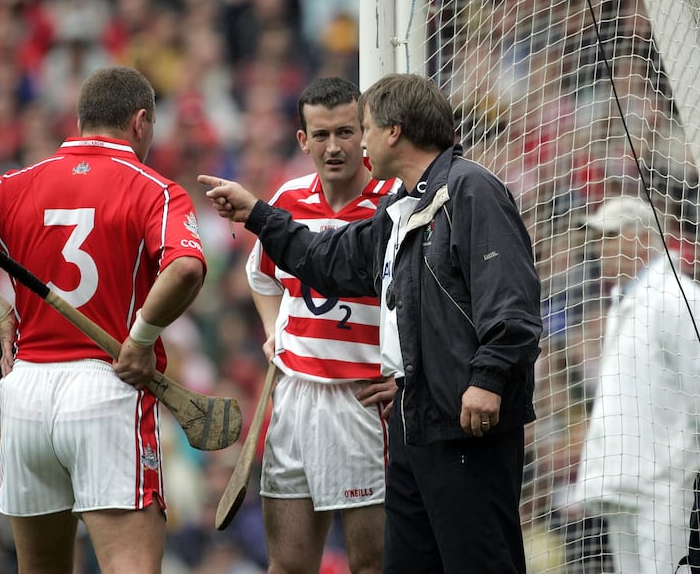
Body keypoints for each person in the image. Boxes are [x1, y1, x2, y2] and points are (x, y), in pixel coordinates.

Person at [201, 72, 542, 574]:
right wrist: (258, 214)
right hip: (412, 416)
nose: (353, 142)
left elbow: (512, 301)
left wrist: (488, 378)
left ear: (392, 132)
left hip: (463, 420)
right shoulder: (400, 207)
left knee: (476, 561)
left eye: (361, 127)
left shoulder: (472, 189)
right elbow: (331, 259)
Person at [0, 65, 206, 574]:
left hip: (25, 394)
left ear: (81, 119)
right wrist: (141, 338)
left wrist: (0, 311)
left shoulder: (16, 182)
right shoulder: (154, 189)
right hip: (106, 391)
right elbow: (185, 268)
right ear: (140, 123)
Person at [246, 76, 399, 574]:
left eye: (345, 132)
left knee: (371, 563)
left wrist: (404, 369)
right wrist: (273, 333)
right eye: (321, 135)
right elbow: (260, 277)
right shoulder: (288, 199)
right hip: (294, 398)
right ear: (302, 140)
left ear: (365, 132)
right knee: (287, 564)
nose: (333, 147)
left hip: (361, 400)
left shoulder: (392, 202)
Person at [572, 195, 700, 574]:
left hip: (665, 487)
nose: (599, 248)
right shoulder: (627, 299)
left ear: (642, 237)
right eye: (598, 238)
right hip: (622, 484)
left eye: (610, 236)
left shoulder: (678, 298)